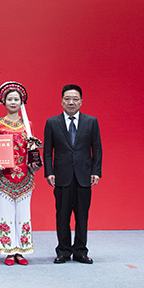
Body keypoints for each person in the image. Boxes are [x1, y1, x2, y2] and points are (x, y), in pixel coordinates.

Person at [44, 84, 103, 264]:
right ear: (61, 101)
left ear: (81, 102)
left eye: (75, 99)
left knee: (82, 216)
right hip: (61, 176)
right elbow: (48, 151)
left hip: (84, 176)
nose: (71, 102)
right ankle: (63, 251)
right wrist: (49, 172)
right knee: (62, 216)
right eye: (67, 99)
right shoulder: (52, 122)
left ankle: (80, 251)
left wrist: (96, 172)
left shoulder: (91, 121)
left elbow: (97, 149)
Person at [0, 81, 40, 266]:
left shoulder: (28, 124)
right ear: (4, 102)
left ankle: (21, 250)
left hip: (25, 175)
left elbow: (32, 148)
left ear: (22, 102)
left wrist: (34, 161)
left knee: (23, 214)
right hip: (4, 175)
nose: (13, 102)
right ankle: (8, 251)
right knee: (5, 214)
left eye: (16, 99)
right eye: (10, 99)